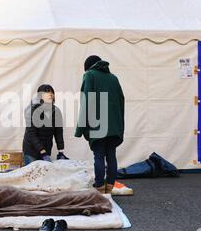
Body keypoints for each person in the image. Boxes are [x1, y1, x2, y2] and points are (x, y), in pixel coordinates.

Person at [75, 55, 125, 194]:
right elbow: (121, 102)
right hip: (114, 125)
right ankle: (109, 186)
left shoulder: (89, 75)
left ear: (88, 67)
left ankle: (99, 187)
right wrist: (120, 126)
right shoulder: (114, 78)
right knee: (111, 156)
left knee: (98, 156)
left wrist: (80, 129)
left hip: (98, 124)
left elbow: (87, 101)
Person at [22, 84, 68, 165]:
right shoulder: (33, 111)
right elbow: (31, 134)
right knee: (33, 176)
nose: (50, 94)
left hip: (46, 150)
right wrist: (42, 152)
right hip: (31, 150)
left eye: (51, 92)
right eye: (46, 92)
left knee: (45, 176)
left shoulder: (56, 111)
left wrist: (61, 151)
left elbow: (58, 132)